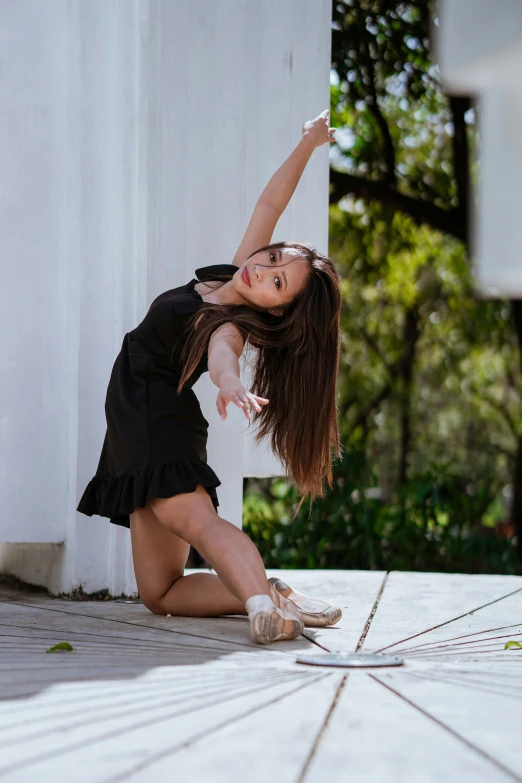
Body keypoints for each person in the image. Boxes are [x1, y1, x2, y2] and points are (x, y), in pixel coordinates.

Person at [78, 110, 343, 645]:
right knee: (161, 593)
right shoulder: (232, 274)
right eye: (272, 259)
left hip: (156, 421)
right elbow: (271, 202)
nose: (261, 270)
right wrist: (308, 146)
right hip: (135, 426)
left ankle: (258, 607)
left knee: (198, 524)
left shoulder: (228, 325)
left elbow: (222, 356)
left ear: (273, 312)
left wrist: (227, 383)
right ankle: (269, 593)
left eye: (274, 282)